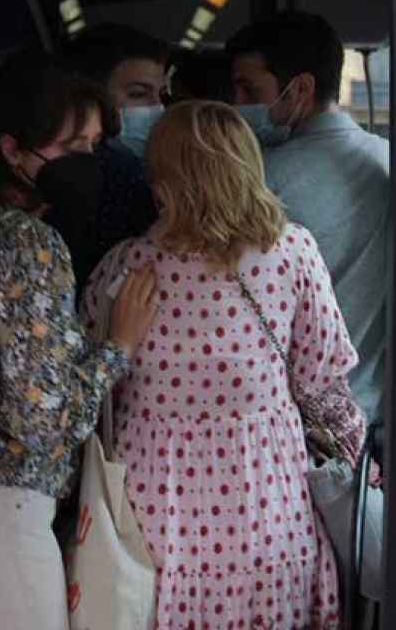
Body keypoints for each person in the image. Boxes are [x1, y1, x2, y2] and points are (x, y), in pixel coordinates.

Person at [84, 100, 366, 630]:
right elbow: (324, 388)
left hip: (153, 517)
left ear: (162, 178)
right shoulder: (292, 254)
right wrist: (363, 461)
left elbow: (94, 381)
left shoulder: (126, 267)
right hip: (267, 511)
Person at [0, 49, 160, 630]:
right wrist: (117, 348)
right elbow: (44, 418)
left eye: (95, 149)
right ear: (11, 151)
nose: (89, 164)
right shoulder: (31, 244)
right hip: (11, 506)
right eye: (74, 149)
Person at [228, 11, 391, 418]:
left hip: (276, 417)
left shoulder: (255, 177)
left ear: (300, 88)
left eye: (249, 90)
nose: (238, 105)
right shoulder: (389, 162)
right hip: (365, 412)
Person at [60, 23, 166, 285]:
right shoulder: (124, 176)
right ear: (94, 97)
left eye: (162, 94)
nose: (157, 108)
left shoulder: (145, 169)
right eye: (139, 94)